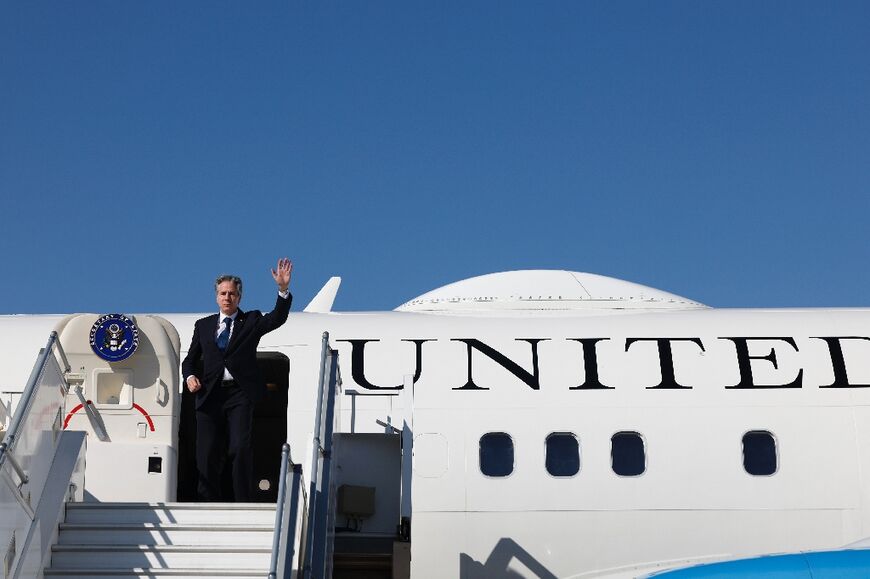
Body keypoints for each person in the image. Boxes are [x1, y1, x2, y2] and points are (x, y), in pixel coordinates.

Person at [181, 258, 292, 502]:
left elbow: (277, 318)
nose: (227, 297)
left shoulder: (251, 320)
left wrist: (282, 290)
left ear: (239, 297)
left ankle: (242, 501)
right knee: (206, 453)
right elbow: (189, 360)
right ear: (216, 297)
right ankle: (207, 502)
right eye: (223, 293)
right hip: (210, 395)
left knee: (240, 448)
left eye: (232, 293)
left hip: (239, 395)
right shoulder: (203, 326)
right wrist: (189, 376)